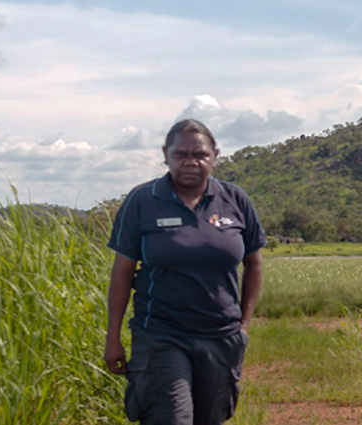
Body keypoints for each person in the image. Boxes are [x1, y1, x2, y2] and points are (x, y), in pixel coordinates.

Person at [103, 119, 266, 424]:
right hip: (161, 334)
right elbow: (122, 272)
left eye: (200, 155)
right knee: (171, 418)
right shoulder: (142, 201)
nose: (191, 162)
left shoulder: (235, 200)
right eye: (181, 154)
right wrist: (113, 338)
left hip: (220, 336)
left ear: (215, 155)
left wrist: (243, 324)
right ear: (166, 155)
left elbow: (254, 264)